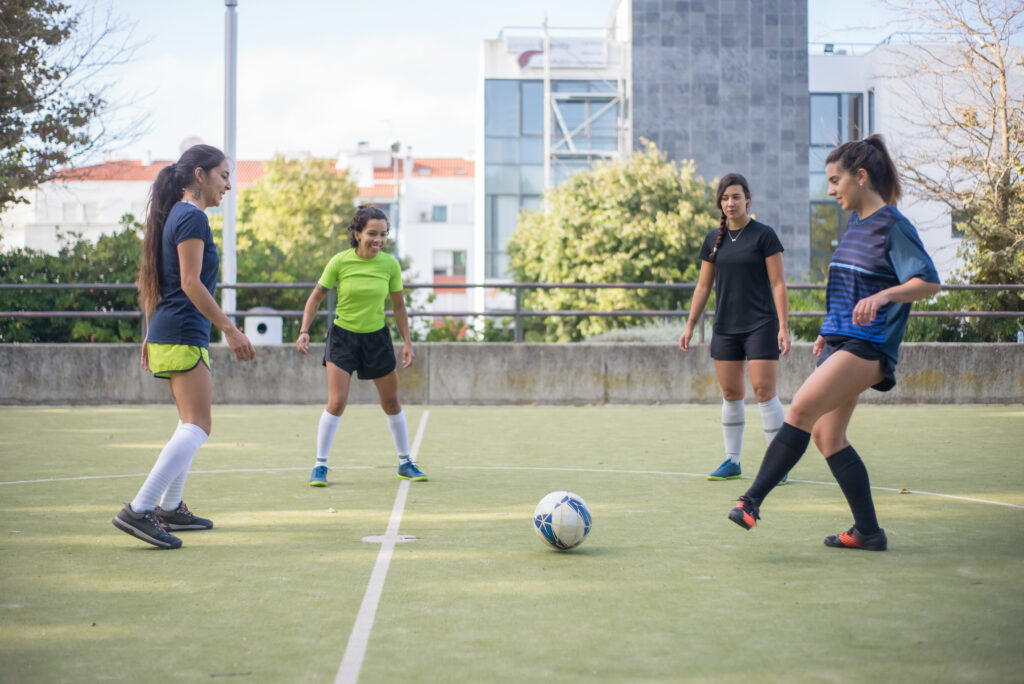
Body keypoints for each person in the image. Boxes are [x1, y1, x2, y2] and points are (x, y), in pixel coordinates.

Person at [727, 135, 940, 551]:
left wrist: (884, 296)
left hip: (870, 346)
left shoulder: (893, 226)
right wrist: (831, 327)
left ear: (861, 177)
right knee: (828, 436)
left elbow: (928, 280)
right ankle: (868, 533)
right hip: (847, 341)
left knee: (802, 408)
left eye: (835, 179)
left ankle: (750, 501)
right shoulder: (857, 227)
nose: (830, 189)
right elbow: (851, 287)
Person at [112, 144, 256, 550]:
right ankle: (140, 509)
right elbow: (190, 283)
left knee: (187, 424)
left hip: (172, 331)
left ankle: (171, 507)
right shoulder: (191, 217)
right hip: (180, 332)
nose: (228, 185)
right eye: (224, 176)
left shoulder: (177, 215)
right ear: (199, 175)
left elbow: (159, 280)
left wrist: (149, 330)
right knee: (197, 426)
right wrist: (230, 328)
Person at [296, 205, 425, 486]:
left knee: (391, 402)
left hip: (377, 338)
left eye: (383, 234)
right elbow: (315, 298)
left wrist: (407, 342)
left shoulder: (390, 265)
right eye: (372, 234)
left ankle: (405, 462)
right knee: (337, 401)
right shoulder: (340, 262)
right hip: (343, 338)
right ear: (357, 233)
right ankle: (320, 466)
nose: (378, 240)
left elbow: (399, 306)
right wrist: (304, 330)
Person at [680, 173, 790, 482]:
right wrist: (690, 325)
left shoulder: (764, 235)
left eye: (736, 197)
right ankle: (732, 461)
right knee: (731, 393)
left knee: (764, 391)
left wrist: (783, 326)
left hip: (761, 324)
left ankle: (778, 464)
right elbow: (703, 287)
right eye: (725, 198)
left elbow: (779, 284)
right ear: (720, 202)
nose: (731, 203)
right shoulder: (712, 240)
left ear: (747, 199)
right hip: (726, 327)